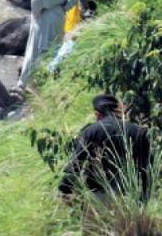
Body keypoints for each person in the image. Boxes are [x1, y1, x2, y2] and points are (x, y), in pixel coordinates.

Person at [58, 94, 150, 235]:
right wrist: (143, 200)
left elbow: (76, 164)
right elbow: (145, 170)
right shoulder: (138, 132)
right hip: (129, 198)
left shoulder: (91, 131)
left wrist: (65, 188)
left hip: (99, 198)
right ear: (117, 110)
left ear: (97, 113)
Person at [18, 0, 81, 88]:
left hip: (43, 15)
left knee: (34, 49)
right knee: (55, 47)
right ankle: (48, 80)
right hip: (59, 13)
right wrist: (67, 6)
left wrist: (35, 14)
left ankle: (24, 83)